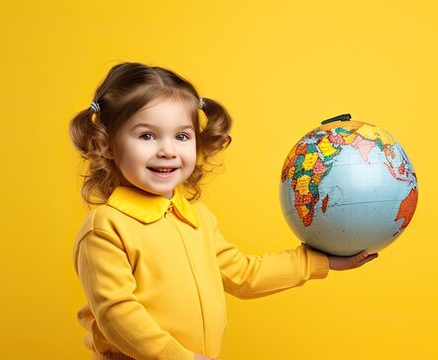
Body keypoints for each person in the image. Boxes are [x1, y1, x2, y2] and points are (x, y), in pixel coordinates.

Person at [68, 62, 378, 360]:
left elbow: (244, 275)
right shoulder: (105, 227)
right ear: (107, 144)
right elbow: (116, 314)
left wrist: (317, 261)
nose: (167, 150)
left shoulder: (197, 219)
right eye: (146, 135)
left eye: (181, 136)